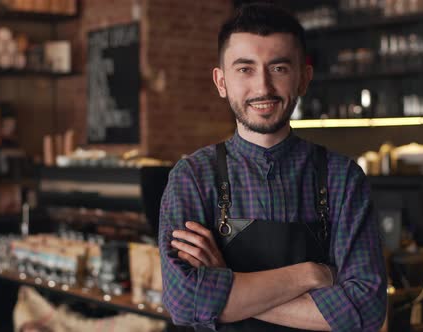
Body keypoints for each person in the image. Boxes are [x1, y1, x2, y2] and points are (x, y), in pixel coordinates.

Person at [158, 3, 387, 331]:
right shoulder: (193, 177)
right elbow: (184, 304)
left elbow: (366, 311)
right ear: (221, 82)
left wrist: (229, 287)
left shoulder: (342, 177)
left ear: (304, 78)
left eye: (278, 68)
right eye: (245, 69)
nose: (263, 87)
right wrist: (310, 275)